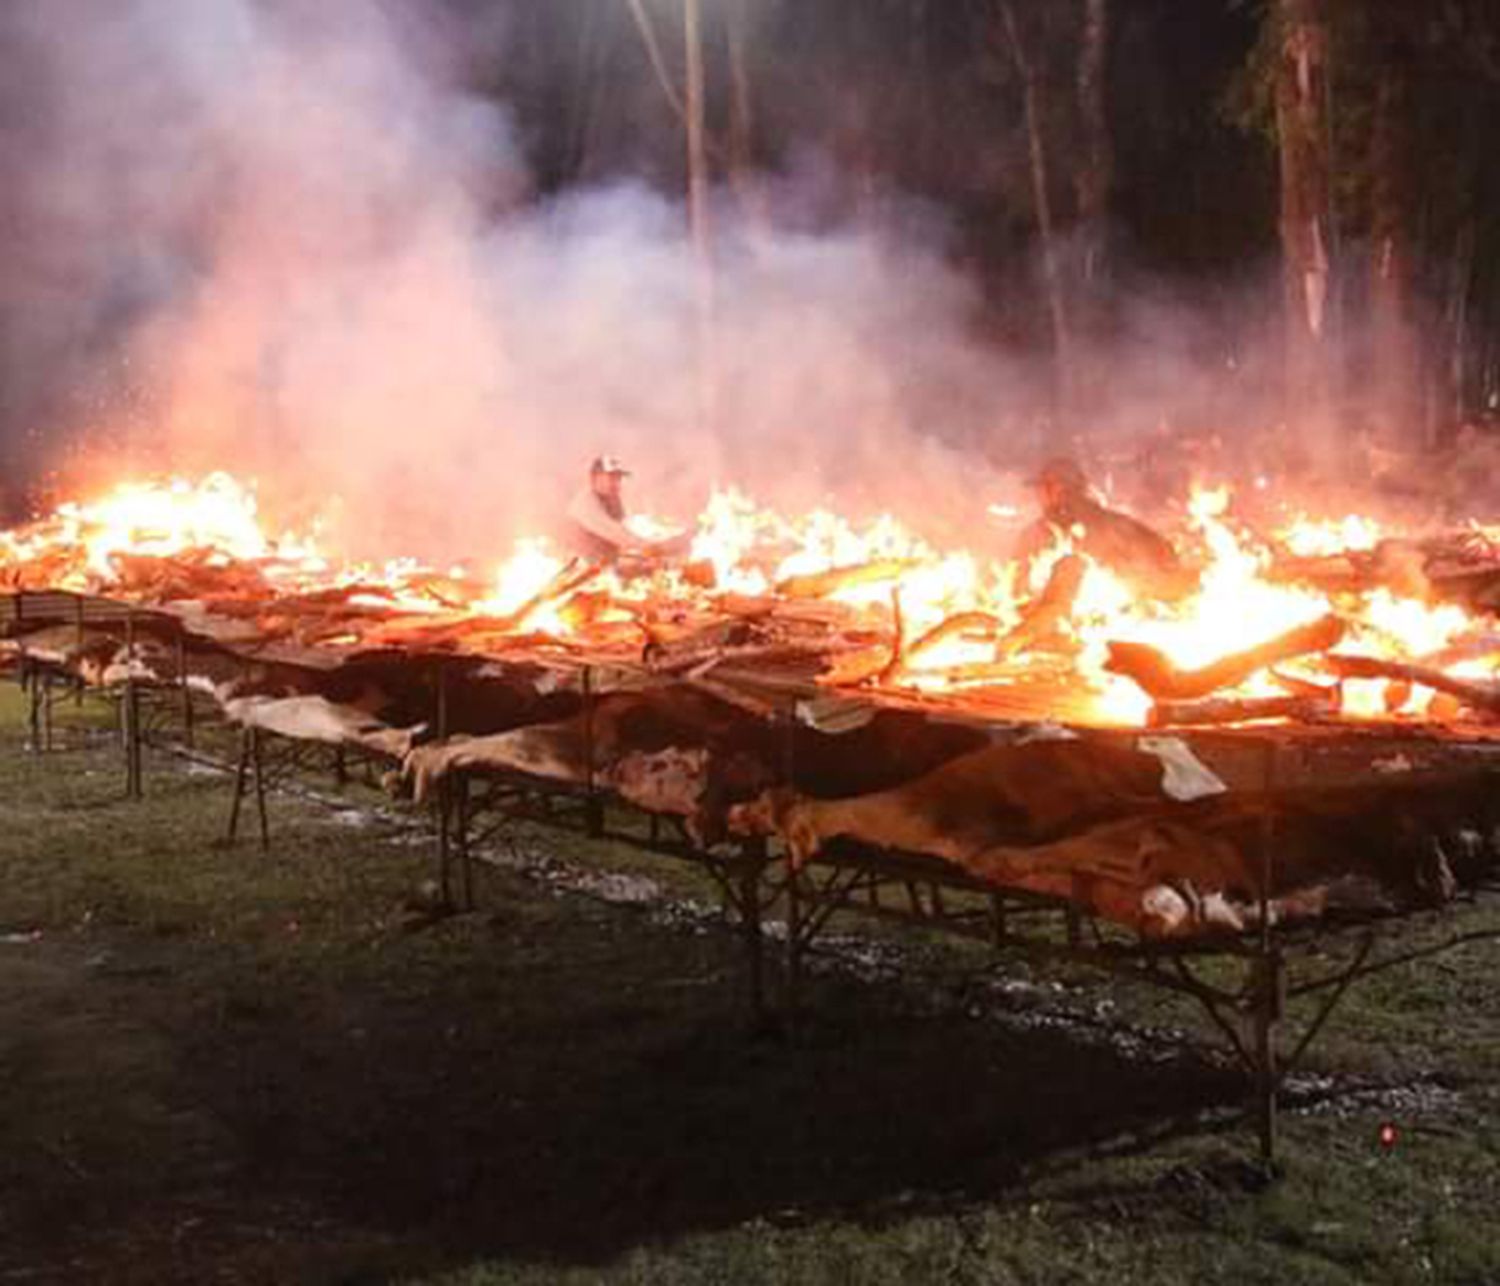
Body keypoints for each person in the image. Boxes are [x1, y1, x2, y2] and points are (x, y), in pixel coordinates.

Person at [1019, 456, 1195, 600]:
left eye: (1044, 488)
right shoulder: (1033, 536)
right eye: (1041, 488)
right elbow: (1016, 591)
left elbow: (1167, 564)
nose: (1040, 496)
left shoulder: (1118, 528)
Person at [564, 456, 689, 568]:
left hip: (601, 563)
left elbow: (627, 527)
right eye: (610, 477)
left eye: (618, 478)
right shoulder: (585, 503)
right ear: (594, 478)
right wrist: (652, 546)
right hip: (577, 565)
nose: (616, 482)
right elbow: (615, 533)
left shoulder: (613, 500)